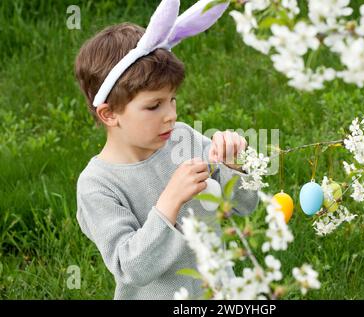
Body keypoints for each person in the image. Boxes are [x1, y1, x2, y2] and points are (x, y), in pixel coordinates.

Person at [74, 0, 259, 299]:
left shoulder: (182, 138)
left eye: (172, 99)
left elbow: (246, 205)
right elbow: (131, 268)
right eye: (154, 105)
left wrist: (232, 165)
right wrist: (168, 204)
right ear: (109, 114)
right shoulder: (98, 186)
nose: (170, 114)